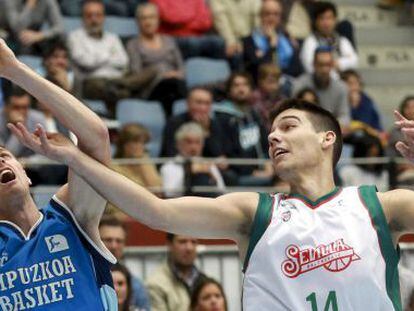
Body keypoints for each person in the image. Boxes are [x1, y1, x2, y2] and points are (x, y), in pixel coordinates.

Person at [14, 93, 414, 309]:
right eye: (271, 132)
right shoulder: (255, 213)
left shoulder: (380, 206)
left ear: (329, 138)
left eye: (288, 127)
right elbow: (157, 211)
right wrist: (73, 158)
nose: (274, 137)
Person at [0, 39, 118, 309]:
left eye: (4, 156)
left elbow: (96, 138)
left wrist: (14, 69)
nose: (0, 163)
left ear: (26, 174)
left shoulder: (70, 217)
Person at [68, 0, 156, 115]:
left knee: (152, 70)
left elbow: (123, 61)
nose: (94, 20)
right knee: (100, 85)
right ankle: (128, 91)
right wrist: (109, 55)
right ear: (83, 18)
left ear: (104, 17)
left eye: (98, 15)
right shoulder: (75, 37)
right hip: (92, 81)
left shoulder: (112, 37)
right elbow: (86, 62)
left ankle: (122, 88)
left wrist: (97, 58)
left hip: (118, 79)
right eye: (90, 16)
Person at [126, 3, 186, 116]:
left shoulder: (169, 41)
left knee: (177, 86)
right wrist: (163, 75)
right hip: (151, 89)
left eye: (152, 17)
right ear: (138, 22)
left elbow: (182, 69)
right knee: (172, 86)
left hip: (175, 85)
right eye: (144, 18)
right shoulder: (133, 44)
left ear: (158, 19)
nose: (148, 22)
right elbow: (137, 74)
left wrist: (176, 74)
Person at [160, 122, 226, 198]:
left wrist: (211, 175)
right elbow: (169, 194)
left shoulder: (207, 165)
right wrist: (189, 172)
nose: (193, 147)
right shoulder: (169, 166)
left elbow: (222, 191)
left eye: (197, 142)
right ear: (178, 144)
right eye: (189, 142)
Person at [292, 46, 351, 130]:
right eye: (321, 65)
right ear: (314, 64)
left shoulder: (341, 87)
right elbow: (293, 115)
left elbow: (345, 118)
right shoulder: (300, 84)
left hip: (331, 134)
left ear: (333, 65)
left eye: (328, 65)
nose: (324, 70)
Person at [100, 217, 151, 310]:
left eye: (119, 241)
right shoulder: (84, 278)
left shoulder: (136, 286)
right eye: (108, 240)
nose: (114, 246)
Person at [242, 0, 301, 81]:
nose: (271, 17)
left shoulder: (288, 39)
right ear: (260, 16)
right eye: (267, 14)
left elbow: (296, 70)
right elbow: (256, 69)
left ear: (280, 17)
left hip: (287, 81)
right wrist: (272, 46)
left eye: (276, 14)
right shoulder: (249, 40)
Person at [146, 233, 207, 311]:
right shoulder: (155, 284)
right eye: (182, 242)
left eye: (193, 242)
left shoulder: (205, 280)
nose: (189, 248)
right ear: (169, 245)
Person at [161, 87, 226, 158]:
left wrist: (205, 129)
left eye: (207, 103)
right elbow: (170, 152)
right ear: (188, 103)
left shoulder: (215, 124)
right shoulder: (174, 122)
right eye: (199, 102)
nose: (203, 108)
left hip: (207, 166)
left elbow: (217, 155)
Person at [151, 0, 226, 59]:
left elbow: (206, 22)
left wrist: (184, 23)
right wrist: (192, 18)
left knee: (219, 42)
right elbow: (171, 18)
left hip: (198, 38)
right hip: (172, 38)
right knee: (193, 43)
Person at [300, 1, 358, 75]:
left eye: (329, 18)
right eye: (322, 18)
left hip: (342, 83)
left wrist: (338, 63)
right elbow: (310, 69)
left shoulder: (342, 40)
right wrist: (333, 68)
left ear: (335, 20)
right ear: (316, 22)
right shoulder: (310, 42)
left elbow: (354, 61)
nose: (326, 23)